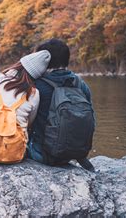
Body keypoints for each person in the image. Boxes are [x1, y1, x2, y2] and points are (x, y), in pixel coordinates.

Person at [27, 39, 95, 171]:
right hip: (74, 154)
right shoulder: (80, 84)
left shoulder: (36, 86)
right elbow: (92, 120)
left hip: (40, 155)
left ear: (43, 59)